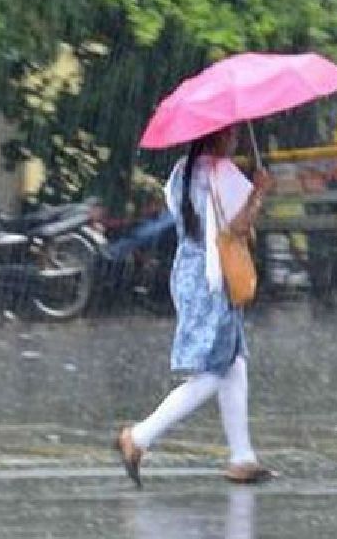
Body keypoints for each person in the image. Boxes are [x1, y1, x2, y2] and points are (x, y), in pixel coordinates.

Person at [115, 125, 275, 486]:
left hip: (188, 273)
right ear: (218, 137)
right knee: (211, 373)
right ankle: (139, 437)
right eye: (231, 135)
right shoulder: (223, 173)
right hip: (215, 279)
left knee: (234, 363)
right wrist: (259, 194)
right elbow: (237, 228)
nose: (235, 139)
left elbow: (193, 221)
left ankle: (242, 456)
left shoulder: (180, 173)